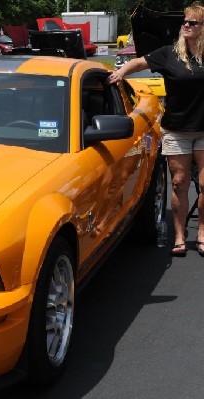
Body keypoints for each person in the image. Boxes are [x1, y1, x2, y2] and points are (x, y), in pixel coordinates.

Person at [109, 1, 204, 256]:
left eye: (192, 22)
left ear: (202, 28)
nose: (185, 25)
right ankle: (181, 236)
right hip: (177, 130)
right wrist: (120, 73)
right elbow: (139, 63)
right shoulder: (168, 53)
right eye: (185, 21)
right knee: (180, 183)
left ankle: (203, 233)